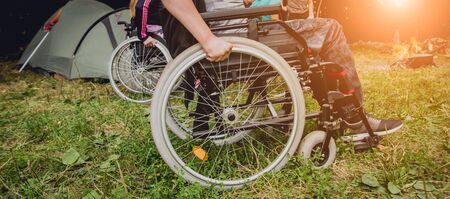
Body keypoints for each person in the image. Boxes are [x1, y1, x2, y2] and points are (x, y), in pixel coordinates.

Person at [204, 0, 403, 136]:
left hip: (231, 29)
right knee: (331, 29)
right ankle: (354, 117)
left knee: (311, 35)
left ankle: (338, 107)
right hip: (244, 34)